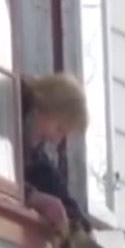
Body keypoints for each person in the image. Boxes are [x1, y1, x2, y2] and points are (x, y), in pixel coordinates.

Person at [17, 72, 91, 233]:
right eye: (59, 129)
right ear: (45, 106)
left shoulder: (36, 155)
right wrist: (33, 197)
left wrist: (80, 226)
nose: (55, 141)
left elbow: (57, 191)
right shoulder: (8, 106)